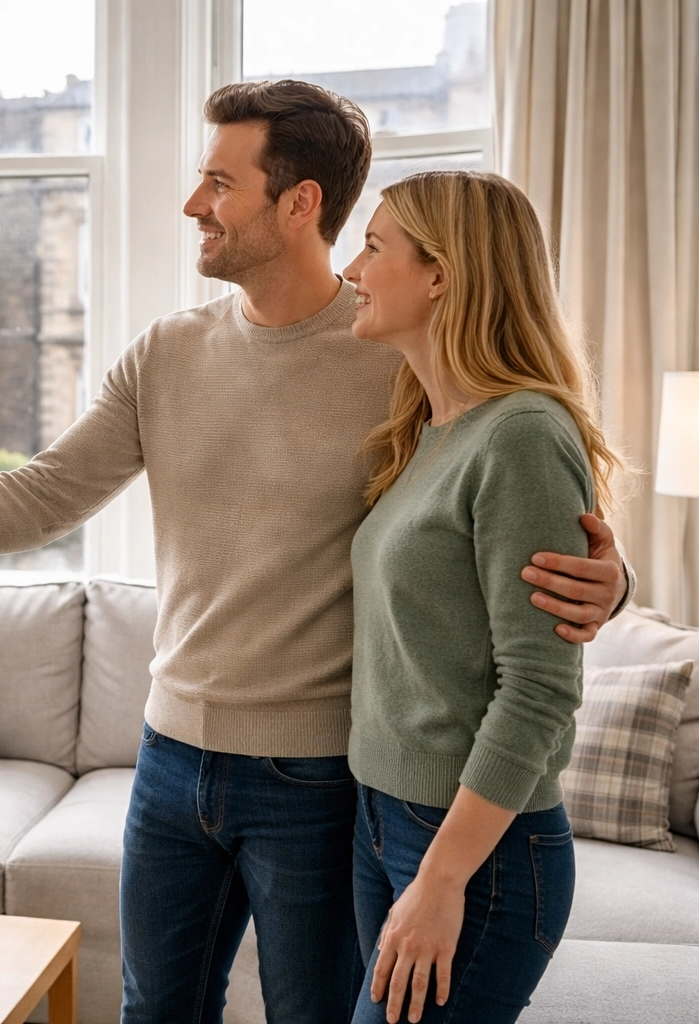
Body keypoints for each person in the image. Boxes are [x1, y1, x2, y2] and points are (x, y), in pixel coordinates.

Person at [0, 81, 632, 1024]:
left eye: (219, 182)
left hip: (324, 774)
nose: (192, 206)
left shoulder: (402, 352)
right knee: (154, 1009)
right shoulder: (169, 353)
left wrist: (607, 583)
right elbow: (39, 495)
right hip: (169, 759)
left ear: (299, 203)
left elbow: (505, 506)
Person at [343, 171, 615, 1024]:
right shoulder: (431, 425)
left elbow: (539, 687)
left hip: (475, 853)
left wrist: (441, 878)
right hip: (385, 819)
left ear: (441, 274)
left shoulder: (524, 433)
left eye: (375, 246)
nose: (353, 268)